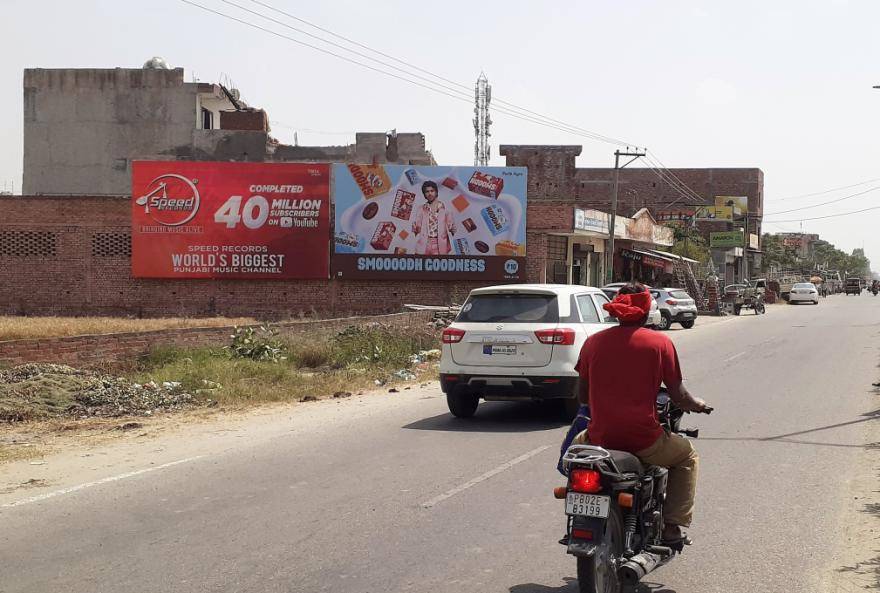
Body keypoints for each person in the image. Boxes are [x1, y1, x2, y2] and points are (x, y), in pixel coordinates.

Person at [571, 282, 710, 545]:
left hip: (600, 438)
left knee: (574, 452)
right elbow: (680, 396)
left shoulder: (593, 343)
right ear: (647, 311)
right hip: (643, 440)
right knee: (687, 456)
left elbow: (582, 398)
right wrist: (699, 405)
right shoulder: (660, 343)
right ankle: (672, 527)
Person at [412, 180, 456, 255]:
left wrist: (451, 230)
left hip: (440, 244)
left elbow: (452, 228)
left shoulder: (445, 209)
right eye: (427, 191)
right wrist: (415, 229)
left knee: (439, 266)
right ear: (424, 194)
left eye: (432, 191)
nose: (430, 193)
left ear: (436, 192)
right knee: (421, 265)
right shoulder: (421, 209)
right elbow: (416, 229)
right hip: (424, 244)